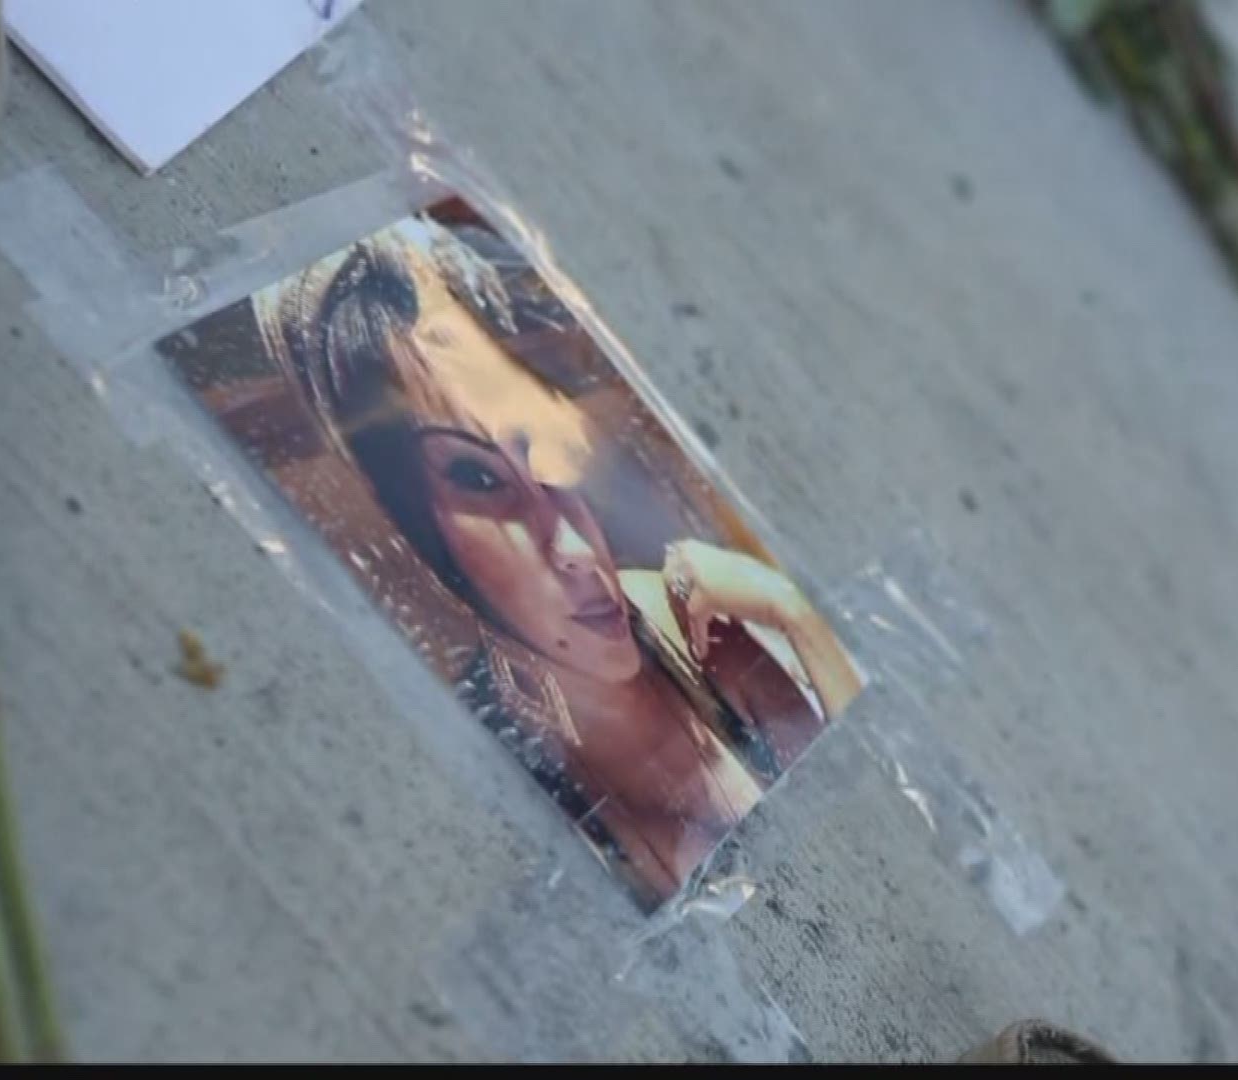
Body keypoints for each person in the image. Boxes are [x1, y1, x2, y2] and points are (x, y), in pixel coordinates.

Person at [256, 219, 861, 907]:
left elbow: (861, 809)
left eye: (543, 455)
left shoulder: (689, 615)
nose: (574, 550)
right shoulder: (486, 761)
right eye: (480, 480)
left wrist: (792, 610)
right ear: (413, 522)